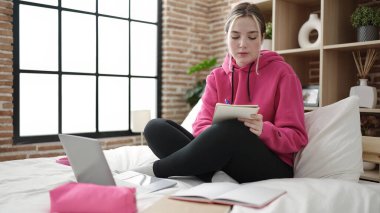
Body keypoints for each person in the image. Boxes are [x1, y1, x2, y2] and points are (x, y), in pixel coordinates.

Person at [133, 2, 308, 183]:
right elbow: (200, 127)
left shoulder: (283, 73)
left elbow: (296, 137)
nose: (242, 44)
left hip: (271, 165)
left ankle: (158, 169)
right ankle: (213, 172)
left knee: (232, 129)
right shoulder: (217, 77)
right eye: (235, 36)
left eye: (252, 37)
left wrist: (264, 129)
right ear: (226, 38)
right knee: (155, 128)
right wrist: (216, 137)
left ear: (262, 38)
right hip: (224, 159)